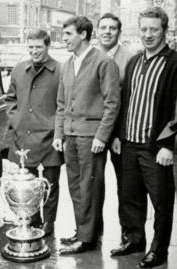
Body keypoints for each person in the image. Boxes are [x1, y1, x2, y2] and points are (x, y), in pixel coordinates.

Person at [111, 7, 177, 268]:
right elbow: (125, 101)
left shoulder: (173, 63)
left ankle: (158, 251)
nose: (148, 35)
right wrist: (118, 135)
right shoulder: (134, 61)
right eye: (144, 29)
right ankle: (134, 240)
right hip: (128, 142)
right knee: (129, 197)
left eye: (154, 29)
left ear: (165, 30)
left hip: (155, 148)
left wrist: (168, 145)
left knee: (161, 202)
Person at [52, 16, 120, 255]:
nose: (64, 39)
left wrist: (102, 137)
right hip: (70, 136)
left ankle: (88, 238)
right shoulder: (68, 63)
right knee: (75, 187)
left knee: (90, 188)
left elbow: (112, 103)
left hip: (91, 138)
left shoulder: (103, 62)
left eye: (68, 34)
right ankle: (83, 232)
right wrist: (59, 132)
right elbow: (61, 102)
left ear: (82, 34)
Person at [6, 29, 63, 237]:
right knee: (26, 184)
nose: (34, 51)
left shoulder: (60, 70)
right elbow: (10, 99)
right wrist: (15, 119)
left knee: (50, 184)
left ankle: (49, 222)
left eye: (39, 47)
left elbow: (63, 104)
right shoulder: (19, 69)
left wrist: (57, 130)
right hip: (25, 136)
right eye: (31, 47)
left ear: (47, 46)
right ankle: (32, 218)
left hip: (50, 138)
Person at [95, 12, 134, 248]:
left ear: (118, 32)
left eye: (112, 28)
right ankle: (91, 232)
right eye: (103, 28)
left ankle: (128, 235)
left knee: (126, 186)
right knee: (94, 185)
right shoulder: (91, 57)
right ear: (97, 31)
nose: (107, 32)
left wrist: (119, 134)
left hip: (120, 134)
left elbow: (129, 99)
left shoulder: (129, 58)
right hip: (94, 132)